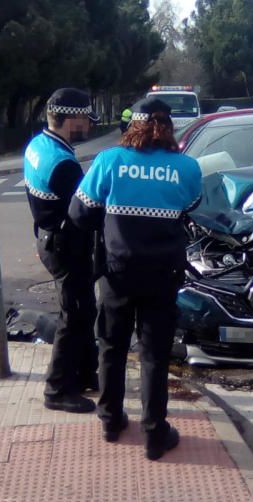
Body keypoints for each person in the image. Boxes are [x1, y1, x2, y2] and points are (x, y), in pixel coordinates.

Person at [69, 98, 202, 461]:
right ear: (168, 127)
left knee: (111, 346)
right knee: (155, 355)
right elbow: (193, 207)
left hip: (117, 273)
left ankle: (111, 420)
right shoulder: (186, 167)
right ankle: (155, 434)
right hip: (163, 274)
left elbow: (78, 213)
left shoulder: (109, 161)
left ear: (132, 126)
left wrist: (111, 222)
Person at [23, 88, 101, 413]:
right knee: (75, 316)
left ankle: (84, 374)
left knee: (83, 311)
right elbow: (88, 210)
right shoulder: (63, 165)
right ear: (71, 119)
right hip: (67, 247)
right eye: (85, 118)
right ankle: (57, 391)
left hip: (48, 238)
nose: (88, 125)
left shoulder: (38, 145)